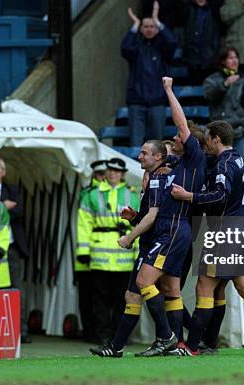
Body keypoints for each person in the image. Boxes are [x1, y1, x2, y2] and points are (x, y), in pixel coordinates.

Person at [170, 120, 244, 355]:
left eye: (208, 140)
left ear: (216, 138)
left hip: (229, 229)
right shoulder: (237, 158)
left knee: (205, 285)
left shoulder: (224, 164)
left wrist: (190, 196)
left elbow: (219, 196)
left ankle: (192, 346)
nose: (206, 144)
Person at [121, 76, 207, 357]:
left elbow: (181, 124)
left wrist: (169, 90)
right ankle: (180, 343)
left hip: (176, 231)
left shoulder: (193, 159)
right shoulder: (171, 165)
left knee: (147, 283)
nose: (173, 139)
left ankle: (171, 338)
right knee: (172, 289)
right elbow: (151, 163)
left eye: (177, 138)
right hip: (167, 232)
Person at [90, 141, 168, 357]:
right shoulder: (149, 181)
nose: (139, 156)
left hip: (159, 243)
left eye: (144, 153)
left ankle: (169, 336)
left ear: (158, 157)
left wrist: (129, 238)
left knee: (163, 290)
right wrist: (134, 218)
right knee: (131, 296)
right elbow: (148, 217)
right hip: (142, 246)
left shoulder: (158, 180)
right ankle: (116, 347)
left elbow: (154, 217)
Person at [77, 158, 140, 344]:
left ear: (122, 174)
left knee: (122, 299)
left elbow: (140, 226)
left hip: (124, 258)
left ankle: (118, 335)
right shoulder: (92, 194)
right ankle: (103, 335)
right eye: (110, 170)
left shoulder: (131, 195)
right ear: (106, 173)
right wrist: (83, 250)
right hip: (100, 256)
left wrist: (138, 253)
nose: (112, 174)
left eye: (116, 171)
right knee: (100, 299)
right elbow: (83, 224)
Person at [0, 155, 31, 343]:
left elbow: (20, 212)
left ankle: (22, 331)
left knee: (17, 289)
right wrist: (2, 207)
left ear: (4, 172)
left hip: (12, 247)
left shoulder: (13, 189)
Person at [122, 2, 178, 147]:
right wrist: (134, 24)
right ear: (141, 29)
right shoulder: (136, 47)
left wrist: (157, 20)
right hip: (136, 101)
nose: (149, 29)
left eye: (152, 26)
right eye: (145, 26)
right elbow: (125, 48)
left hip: (158, 101)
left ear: (157, 29)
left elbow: (172, 42)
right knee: (135, 144)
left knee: (157, 145)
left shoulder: (163, 48)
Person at [203, 47, 244, 159]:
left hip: (240, 128)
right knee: (223, 166)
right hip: (221, 131)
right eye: (230, 58)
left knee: (239, 166)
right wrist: (225, 85)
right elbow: (210, 97)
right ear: (223, 61)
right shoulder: (212, 80)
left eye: (236, 57)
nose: (234, 61)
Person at [176, 0, 225, 85]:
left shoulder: (213, 10)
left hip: (210, 58)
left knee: (210, 88)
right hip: (192, 58)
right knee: (194, 90)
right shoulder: (188, 9)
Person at [76, 160, 107, 343]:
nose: (103, 177)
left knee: (102, 296)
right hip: (88, 253)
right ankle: (89, 330)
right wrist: (83, 251)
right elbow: (83, 225)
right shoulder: (88, 194)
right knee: (87, 296)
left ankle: (101, 331)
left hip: (106, 256)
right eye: (100, 174)